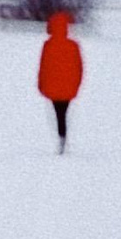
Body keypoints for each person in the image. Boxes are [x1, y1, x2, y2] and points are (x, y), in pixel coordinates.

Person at [37, 10, 83, 152]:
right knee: (63, 112)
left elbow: (43, 66)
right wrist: (76, 84)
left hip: (52, 87)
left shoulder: (48, 45)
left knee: (58, 113)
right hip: (69, 87)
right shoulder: (73, 45)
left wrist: (41, 84)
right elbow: (79, 67)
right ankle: (63, 136)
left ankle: (61, 137)